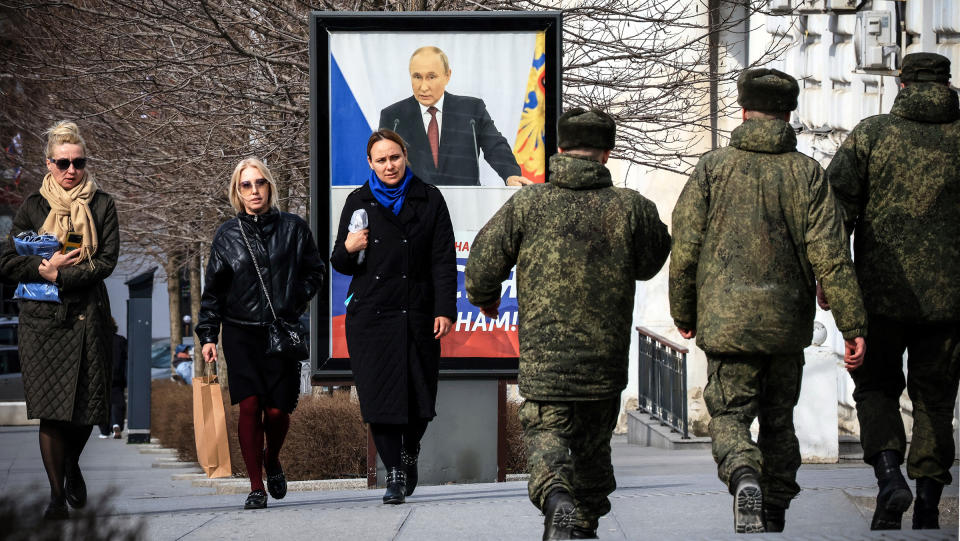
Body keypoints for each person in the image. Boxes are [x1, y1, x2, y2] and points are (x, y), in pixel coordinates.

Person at [669, 69, 868, 534]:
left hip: (726, 326)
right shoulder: (807, 174)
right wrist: (853, 322)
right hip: (784, 328)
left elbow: (686, 247)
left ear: (743, 110)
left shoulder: (712, 168)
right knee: (780, 423)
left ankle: (743, 477)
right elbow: (832, 256)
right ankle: (774, 506)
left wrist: (684, 310)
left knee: (731, 415)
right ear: (789, 114)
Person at [465, 108, 671, 540]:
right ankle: (581, 525)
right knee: (594, 457)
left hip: (545, 367)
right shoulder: (630, 207)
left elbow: (482, 266)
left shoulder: (528, 203)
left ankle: (557, 500)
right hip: (603, 366)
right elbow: (652, 262)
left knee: (547, 442)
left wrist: (484, 300)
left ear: (558, 149)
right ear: (606, 154)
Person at [823, 52, 960, 531]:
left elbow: (833, 213)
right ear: (946, 84)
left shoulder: (872, 134)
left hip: (879, 298)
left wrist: (833, 281)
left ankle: (888, 477)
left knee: (876, 387)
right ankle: (927, 501)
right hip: (951, 303)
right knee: (936, 399)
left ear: (901, 84)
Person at [0, 120, 119, 520]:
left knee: (89, 409)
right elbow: (7, 260)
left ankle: (70, 465)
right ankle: (55, 497)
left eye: (79, 162)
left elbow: (106, 262)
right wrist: (42, 268)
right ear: (48, 164)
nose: (72, 170)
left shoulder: (102, 204)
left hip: (87, 319)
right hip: (42, 323)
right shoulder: (33, 207)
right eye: (63, 162)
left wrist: (62, 275)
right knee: (50, 411)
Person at [330, 129, 457, 505]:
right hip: (371, 315)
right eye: (381, 160)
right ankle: (395, 473)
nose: (389, 165)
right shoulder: (358, 201)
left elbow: (443, 261)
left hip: (416, 313)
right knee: (378, 398)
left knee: (420, 398)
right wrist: (349, 247)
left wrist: (445, 309)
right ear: (370, 163)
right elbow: (339, 260)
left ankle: (409, 451)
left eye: (395, 157)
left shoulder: (429, 199)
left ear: (406, 157)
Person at [196, 157, 325, 510]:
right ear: (237, 192)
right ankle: (256, 486)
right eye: (246, 185)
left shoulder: (294, 229)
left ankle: (272, 460)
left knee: (278, 412)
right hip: (240, 333)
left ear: (270, 186)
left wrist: (292, 301)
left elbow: (315, 272)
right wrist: (208, 334)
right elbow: (214, 292)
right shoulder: (227, 235)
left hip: (280, 332)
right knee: (250, 407)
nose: (254, 191)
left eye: (260, 183)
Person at [378, 46, 531, 187]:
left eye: (431, 77)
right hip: (411, 207)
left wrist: (510, 174)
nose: (423, 86)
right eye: (417, 77)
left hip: (466, 204)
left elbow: (495, 146)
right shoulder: (393, 117)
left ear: (447, 76)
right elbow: (382, 162)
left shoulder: (471, 110)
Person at [98, 318, 128, 439]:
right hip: (117, 377)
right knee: (117, 402)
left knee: (101, 403)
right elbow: (128, 357)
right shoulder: (120, 340)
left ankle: (104, 431)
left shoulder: (98, 340)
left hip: (100, 378)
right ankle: (117, 424)